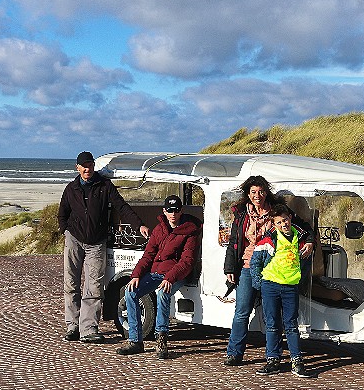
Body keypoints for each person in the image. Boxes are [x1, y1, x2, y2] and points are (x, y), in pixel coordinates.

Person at [59, 151, 149, 344]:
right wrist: (65, 231)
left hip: (97, 242)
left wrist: (138, 224)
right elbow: (62, 213)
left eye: (89, 165)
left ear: (93, 166)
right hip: (74, 238)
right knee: (71, 282)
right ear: (77, 168)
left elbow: (121, 207)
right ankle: (72, 325)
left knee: (94, 285)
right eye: (83, 166)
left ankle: (89, 328)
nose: (87, 169)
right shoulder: (71, 188)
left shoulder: (104, 186)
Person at [222, 176, 313, 366]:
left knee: (274, 316)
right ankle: (234, 352)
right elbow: (233, 243)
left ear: (267, 192)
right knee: (242, 310)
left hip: (274, 268)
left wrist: (310, 242)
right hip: (247, 265)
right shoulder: (241, 214)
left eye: (261, 191)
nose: (258, 196)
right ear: (248, 194)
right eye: (254, 192)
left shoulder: (277, 211)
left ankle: (274, 357)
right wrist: (230, 268)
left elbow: (303, 228)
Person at [117, 195, 202, 359]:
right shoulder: (159, 229)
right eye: (169, 210)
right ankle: (135, 341)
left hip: (176, 274)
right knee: (130, 291)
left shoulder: (189, 231)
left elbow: (187, 261)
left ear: (181, 211)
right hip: (155, 273)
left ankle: (161, 339)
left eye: (176, 210)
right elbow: (148, 255)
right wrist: (136, 275)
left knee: (163, 293)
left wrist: (170, 277)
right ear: (164, 211)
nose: (173, 214)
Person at [249, 204, 314, 378]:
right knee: (272, 324)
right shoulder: (270, 239)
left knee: (291, 325)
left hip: (290, 286)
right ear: (274, 224)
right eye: (278, 222)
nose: (283, 224)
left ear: (290, 218)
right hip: (270, 285)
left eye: (285, 220)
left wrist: (310, 242)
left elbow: (310, 235)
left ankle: (296, 361)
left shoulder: (300, 236)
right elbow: (255, 261)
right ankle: (273, 360)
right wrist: (259, 283)